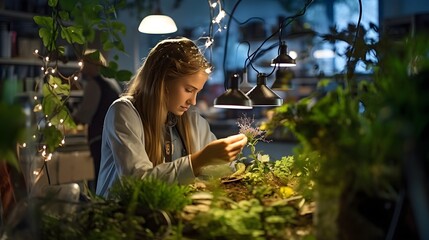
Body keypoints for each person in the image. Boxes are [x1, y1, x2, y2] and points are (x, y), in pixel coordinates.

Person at [96, 37, 247, 197]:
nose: (193, 101)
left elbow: (218, 170)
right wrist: (200, 159)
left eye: (197, 92)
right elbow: (138, 182)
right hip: (118, 216)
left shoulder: (191, 119)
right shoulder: (124, 112)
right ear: (163, 81)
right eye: (189, 90)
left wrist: (230, 161)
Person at [72, 49, 122, 193]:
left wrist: (70, 119)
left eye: (85, 64)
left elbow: (84, 115)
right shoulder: (112, 82)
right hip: (114, 136)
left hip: (99, 138)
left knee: (99, 177)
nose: (83, 67)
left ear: (92, 65)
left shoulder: (93, 85)